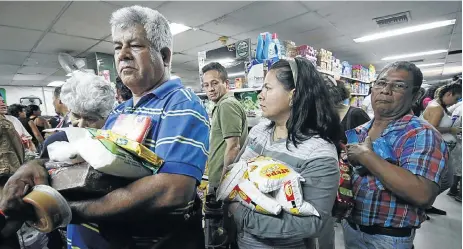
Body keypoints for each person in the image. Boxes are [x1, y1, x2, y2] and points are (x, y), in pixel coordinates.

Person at [0, 5, 209, 249]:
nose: (123, 55)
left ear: (164, 56)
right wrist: (36, 166)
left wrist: (72, 211)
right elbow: (96, 166)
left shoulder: (181, 104)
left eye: (136, 45)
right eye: (118, 46)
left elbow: (172, 191)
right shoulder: (121, 111)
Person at [226, 57, 341, 249]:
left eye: (267, 88)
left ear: (293, 96)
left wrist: (241, 215)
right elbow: (236, 174)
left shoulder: (318, 152)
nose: (259, 95)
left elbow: (312, 223)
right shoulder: (259, 132)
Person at [343, 61, 448, 249]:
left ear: (415, 95)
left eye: (398, 85)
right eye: (381, 83)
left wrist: (368, 157)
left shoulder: (422, 134)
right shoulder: (359, 131)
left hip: (389, 239)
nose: (386, 90)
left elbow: (423, 194)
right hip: (352, 229)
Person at [40, 71, 116, 249]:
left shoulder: (114, 144)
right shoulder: (56, 143)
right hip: (69, 222)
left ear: (106, 116)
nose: (81, 124)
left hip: (107, 227)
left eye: (90, 118)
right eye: (76, 115)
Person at [202, 62, 248, 192]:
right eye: (206, 85)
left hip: (222, 181)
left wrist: (224, 184)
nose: (210, 89)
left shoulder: (226, 105)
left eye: (214, 83)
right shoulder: (222, 105)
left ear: (226, 83)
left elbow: (234, 147)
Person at [447, 101, 462, 202]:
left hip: (455, 139)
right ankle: (461, 195)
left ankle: (453, 189)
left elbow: (448, 113)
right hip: (459, 138)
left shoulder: (458, 105)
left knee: (457, 167)